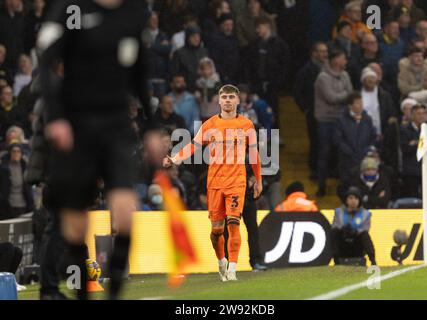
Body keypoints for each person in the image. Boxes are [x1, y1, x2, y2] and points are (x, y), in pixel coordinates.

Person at [38, 0, 159, 300]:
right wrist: (55, 117)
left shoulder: (133, 14)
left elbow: (140, 73)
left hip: (116, 125)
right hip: (77, 126)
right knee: (75, 227)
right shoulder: (72, 9)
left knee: (125, 214)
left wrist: (152, 127)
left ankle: (114, 292)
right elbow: (46, 59)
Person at [163, 84, 262, 281]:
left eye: (231, 97)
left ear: (237, 100)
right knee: (217, 231)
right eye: (224, 97)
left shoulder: (246, 125)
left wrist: (258, 180)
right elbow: (193, 146)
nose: (227, 100)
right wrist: (175, 159)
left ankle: (233, 269)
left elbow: (254, 154)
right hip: (215, 182)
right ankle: (221, 261)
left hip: (237, 181)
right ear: (218, 101)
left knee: (234, 223)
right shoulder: (209, 125)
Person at [314, 48, 353, 197]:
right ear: (336, 60)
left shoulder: (345, 75)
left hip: (341, 119)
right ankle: (321, 186)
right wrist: (344, 94)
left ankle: (344, 185)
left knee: (342, 152)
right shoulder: (322, 77)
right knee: (325, 152)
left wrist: (343, 96)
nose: (345, 61)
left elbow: (350, 94)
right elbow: (331, 98)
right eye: (343, 58)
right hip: (326, 120)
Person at [245, 16, 289, 128]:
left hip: (272, 85)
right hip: (257, 85)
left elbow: (284, 65)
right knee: (258, 113)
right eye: (256, 28)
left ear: (267, 26)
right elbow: (249, 65)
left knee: (272, 112)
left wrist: (278, 82)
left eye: (259, 27)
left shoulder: (279, 44)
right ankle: (261, 142)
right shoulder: (254, 45)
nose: (257, 30)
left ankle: (273, 141)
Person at [294, 42, 328, 179]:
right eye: (321, 51)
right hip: (313, 111)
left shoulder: (329, 69)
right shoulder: (306, 71)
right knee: (315, 141)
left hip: (327, 111)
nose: (325, 54)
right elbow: (298, 91)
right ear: (314, 53)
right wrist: (306, 108)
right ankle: (314, 169)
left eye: (326, 51)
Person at [335, 91, 376, 190]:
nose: (361, 105)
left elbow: (373, 136)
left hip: (364, 160)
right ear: (350, 106)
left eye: (361, 102)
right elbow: (338, 140)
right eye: (358, 103)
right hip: (347, 161)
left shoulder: (367, 119)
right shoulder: (341, 120)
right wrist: (350, 152)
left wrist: (367, 150)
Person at [331, 186, 376, 266]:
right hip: (343, 244)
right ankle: (336, 260)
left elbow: (365, 229)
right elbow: (335, 226)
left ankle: (373, 261)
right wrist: (344, 229)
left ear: (359, 200)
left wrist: (355, 232)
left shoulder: (366, 214)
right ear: (346, 200)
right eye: (351, 198)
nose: (353, 201)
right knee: (334, 232)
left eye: (356, 198)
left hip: (357, 245)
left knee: (365, 235)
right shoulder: (338, 212)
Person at [400, 104, 427, 198]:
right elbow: (406, 149)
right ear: (412, 115)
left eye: (423, 113)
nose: (422, 116)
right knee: (412, 199)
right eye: (418, 114)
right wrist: (425, 142)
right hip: (411, 171)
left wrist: (415, 142)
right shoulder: (404, 130)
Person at [0, 142, 33, 220]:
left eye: (18, 151)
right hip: (6, 205)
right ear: (10, 153)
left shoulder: (25, 168)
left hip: (23, 204)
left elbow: (29, 187)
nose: (16, 154)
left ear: (22, 154)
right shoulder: (3, 169)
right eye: (13, 151)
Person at [171, 26, 209, 92]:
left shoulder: (204, 52)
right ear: (188, 38)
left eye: (198, 36)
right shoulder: (179, 53)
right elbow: (175, 73)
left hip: (203, 88)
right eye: (193, 37)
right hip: (185, 89)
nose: (196, 39)